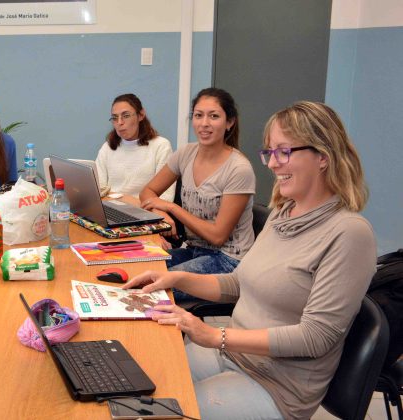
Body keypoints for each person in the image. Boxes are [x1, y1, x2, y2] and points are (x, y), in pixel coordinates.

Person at [124, 101, 376, 419]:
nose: (272, 164)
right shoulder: (283, 213)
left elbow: (317, 336)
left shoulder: (349, 234)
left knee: (165, 412)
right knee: (139, 384)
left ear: (322, 157)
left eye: (284, 152)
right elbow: (239, 282)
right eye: (269, 153)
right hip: (236, 354)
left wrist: (216, 336)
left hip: (278, 385)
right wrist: (175, 278)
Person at [138, 88, 255, 283]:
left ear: (230, 122)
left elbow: (217, 236)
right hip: (193, 250)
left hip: (229, 260)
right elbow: (147, 192)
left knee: (153, 284)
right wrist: (163, 215)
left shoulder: (239, 168)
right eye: (198, 115)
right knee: (135, 269)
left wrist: (172, 207)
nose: (204, 123)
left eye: (214, 116)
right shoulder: (186, 153)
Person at [95, 93, 174, 200]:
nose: (119, 122)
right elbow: (98, 190)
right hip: (111, 207)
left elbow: (166, 198)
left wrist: (132, 203)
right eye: (115, 118)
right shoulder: (107, 147)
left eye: (126, 116)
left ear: (141, 115)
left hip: (146, 212)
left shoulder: (161, 146)